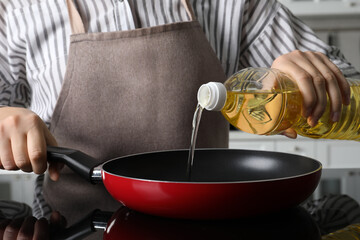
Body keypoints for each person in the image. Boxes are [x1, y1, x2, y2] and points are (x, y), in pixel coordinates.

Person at [0, 0, 359, 227]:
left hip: (218, 223)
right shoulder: (18, 8)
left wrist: (306, 82)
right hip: (70, 223)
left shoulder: (234, 5)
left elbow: (350, 83)